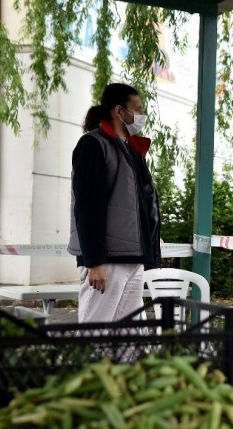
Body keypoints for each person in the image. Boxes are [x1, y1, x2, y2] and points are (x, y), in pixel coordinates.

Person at [67, 82, 161, 322]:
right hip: (107, 261)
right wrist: (94, 261)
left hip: (132, 259)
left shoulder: (131, 149)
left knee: (128, 339)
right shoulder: (93, 145)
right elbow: (87, 207)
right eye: (137, 109)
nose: (141, 115)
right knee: (95, 335)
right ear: (119, 111)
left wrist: (148, 253)